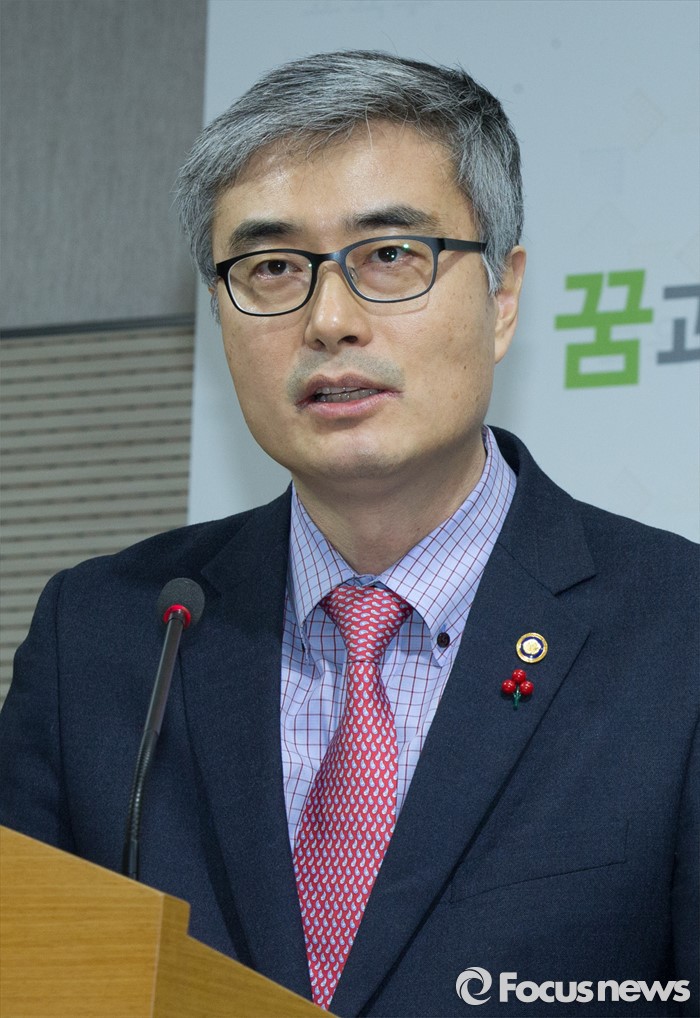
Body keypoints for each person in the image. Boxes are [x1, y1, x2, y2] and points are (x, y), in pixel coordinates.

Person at [0, 51, 697, 1017]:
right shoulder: (110, 635)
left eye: (391, 256)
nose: (330, 321)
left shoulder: (677, 632)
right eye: (272, 268)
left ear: (502, 299)